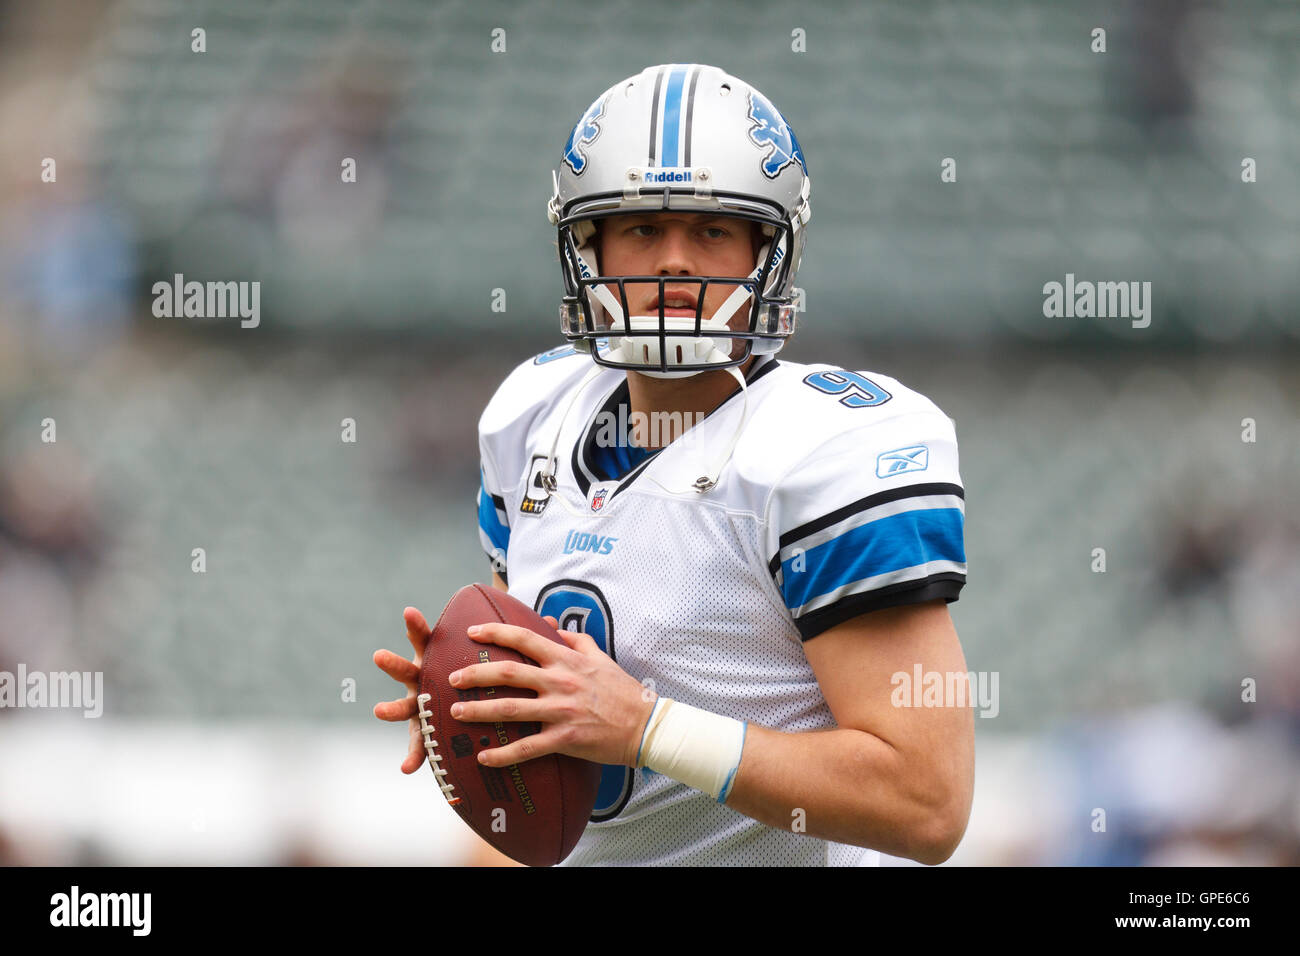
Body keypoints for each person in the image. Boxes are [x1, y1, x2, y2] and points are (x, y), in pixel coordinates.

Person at [375, 63, 973, 866]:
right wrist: (489, 714)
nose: (676, 262)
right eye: (644, 230)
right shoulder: (532, 419)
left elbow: (925, 802)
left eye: (713, 231)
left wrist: (648, 729)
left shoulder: (825, 447)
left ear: (770, 252)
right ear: (587, 247)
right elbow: (578, 773)